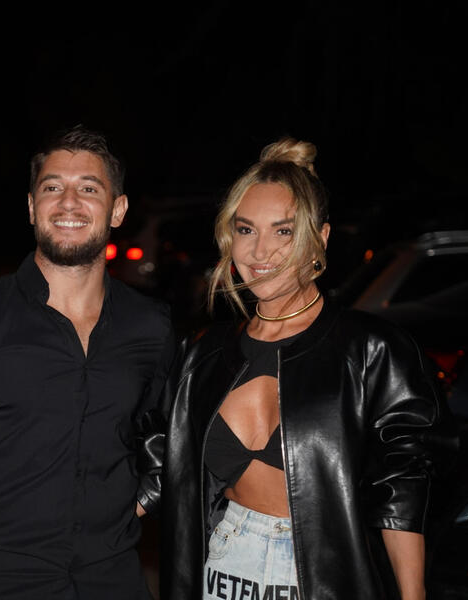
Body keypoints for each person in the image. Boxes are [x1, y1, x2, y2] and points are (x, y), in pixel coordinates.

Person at [154, 138, 448, 600]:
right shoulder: (202, 353)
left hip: (328, 576)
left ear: (320, 239)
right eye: (246, 230)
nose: (260, 251)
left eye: (283, 232)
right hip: (225, 564)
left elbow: (402, 488)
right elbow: (159, 463)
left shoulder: (371, 350)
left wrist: (413, 594)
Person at [0, 126, 175, 600]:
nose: (68, 202)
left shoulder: (150, 326)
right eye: (52, 188)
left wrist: (147, 495)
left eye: (89, 189)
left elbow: (163, 430)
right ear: (32, 207)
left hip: (113, 576)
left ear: (118, 209)